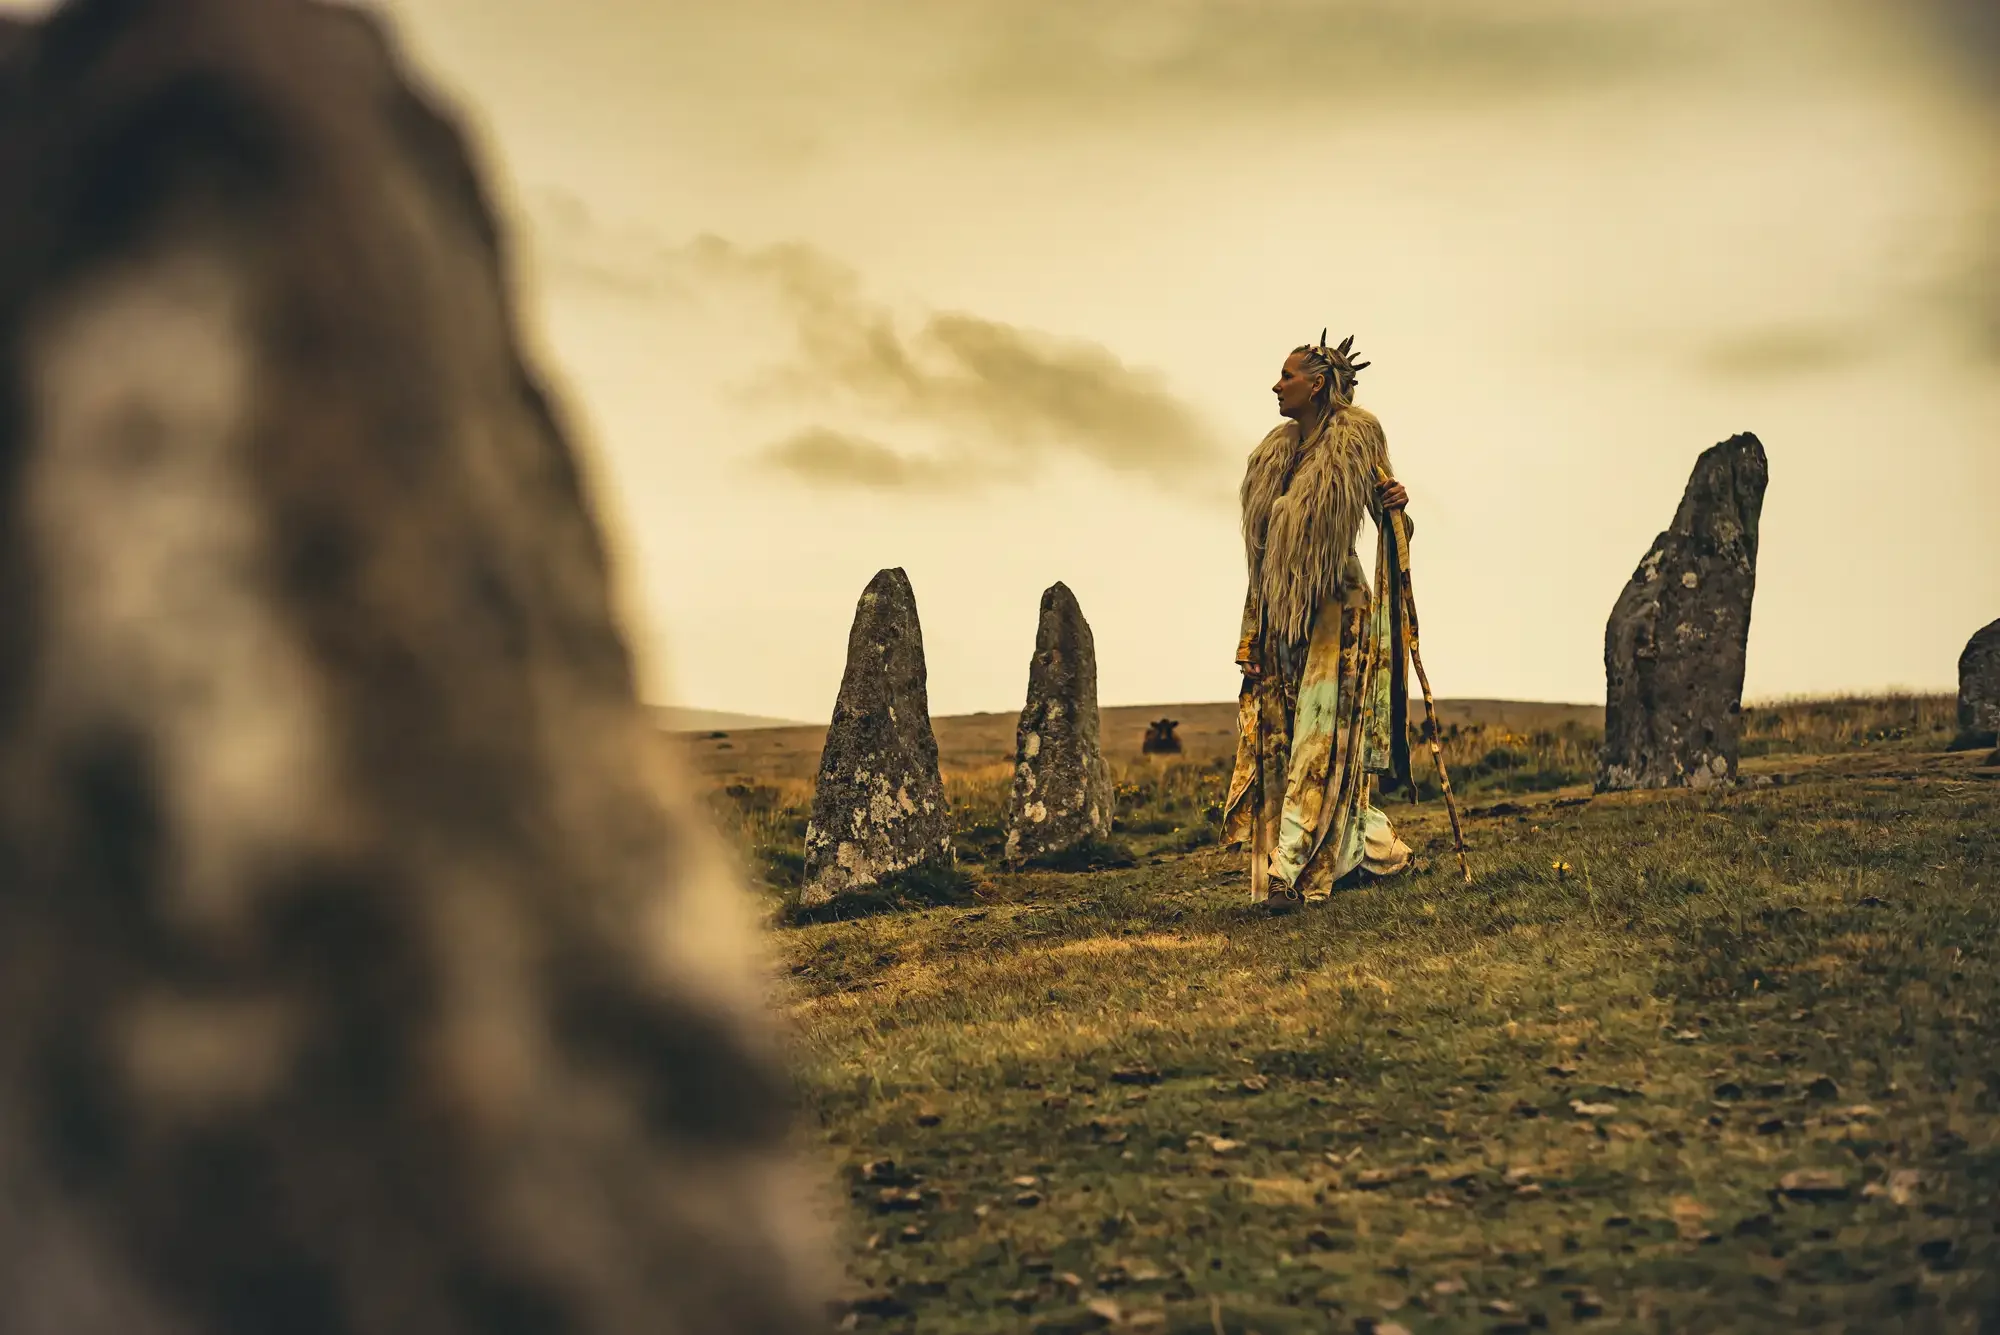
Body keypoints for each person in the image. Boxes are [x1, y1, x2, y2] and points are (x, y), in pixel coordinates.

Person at [1223, 333, 1415, 911]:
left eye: (1287, 376)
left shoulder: (1357, 438)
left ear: (1319, 384)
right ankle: (1378, 852)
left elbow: (1392, 525)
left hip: (1337, 607)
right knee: (1283, 739)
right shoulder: (1271, 455)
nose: (1277, 385)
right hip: (1283, 613)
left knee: (1320, 738)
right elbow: (1260, 562)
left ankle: (1288, 871)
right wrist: (1252, 633)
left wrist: (1397, 510)